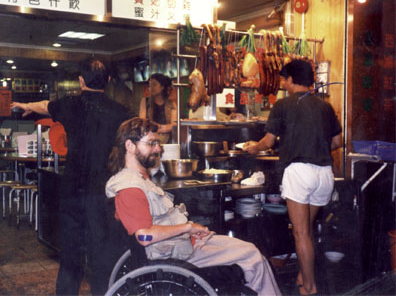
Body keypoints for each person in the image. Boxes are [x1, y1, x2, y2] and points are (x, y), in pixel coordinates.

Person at [105, 117, 281, 295]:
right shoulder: (130, 188)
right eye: (151, 143)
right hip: (176, 255)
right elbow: (144, 237)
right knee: (252, 257)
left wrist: (187, 231)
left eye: (157, 143)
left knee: (251, 251)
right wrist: (186, 228)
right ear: (130, 146)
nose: (158, 149)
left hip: (183, 245)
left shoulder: (139, 179)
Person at [11, 59, 132, 295]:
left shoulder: (70, 104)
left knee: (70, 250)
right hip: (103, 190)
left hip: (72, 189)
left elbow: (46, 106)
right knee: (101, 249)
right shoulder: (120, 112)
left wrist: (27, 105)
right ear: (107, 81)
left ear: (81, 81)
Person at [243, 59, 342, 295]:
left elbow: (267, 142)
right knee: (306, 229)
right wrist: (315, 144)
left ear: (289, 80)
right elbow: (338, 141)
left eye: (283, 81)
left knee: (301, 233)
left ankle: (309, 288)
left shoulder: (283, 105)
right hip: (324, 175)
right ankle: (302, 275)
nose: (283, 85)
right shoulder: (325, 107)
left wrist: (251, 147)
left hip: (299, 173)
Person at [139, 73, 177, 143]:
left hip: (168, 141)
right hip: (149, 141)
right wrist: (162, 128)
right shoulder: (145, 101)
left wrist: (156, 128)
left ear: (162, 87)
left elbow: (174, 125)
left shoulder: (172, 104)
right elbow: (142, 123)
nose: (151, 88)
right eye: (150, 85)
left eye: (154, 85)